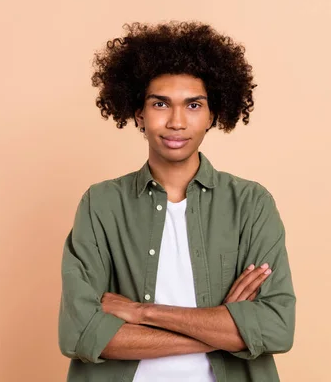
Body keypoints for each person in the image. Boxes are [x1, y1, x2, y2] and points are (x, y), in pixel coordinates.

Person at [58, 21, 296, 382]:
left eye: (194, 105)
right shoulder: (101, 205)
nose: (176, 121)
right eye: (160, 104)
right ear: (139, 113)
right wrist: (224, 326)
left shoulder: (251, 204)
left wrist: (142, 313)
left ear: (213, 115)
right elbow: (82, 334)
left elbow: (277, 328)